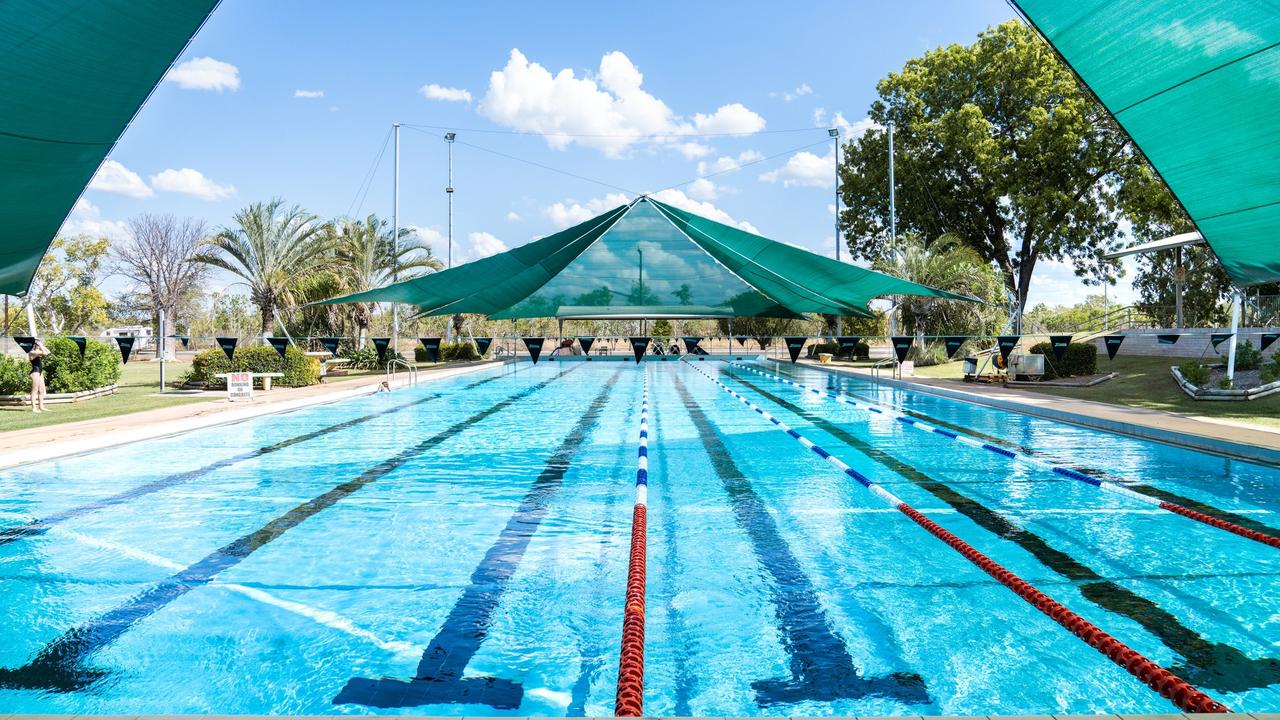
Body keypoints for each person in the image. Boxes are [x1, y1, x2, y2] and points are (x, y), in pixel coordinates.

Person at [27, 339, 49, 413]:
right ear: (34, 345)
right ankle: (34, 408)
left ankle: (41, 407)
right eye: (37, 344)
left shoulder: (38, 351)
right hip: (35, 372)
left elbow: (48, 351)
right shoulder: (32, 352)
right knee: (35, 390)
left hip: (40, 372)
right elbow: (45, 353)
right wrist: (40, 346)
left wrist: (41, 345)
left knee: (42, 390)